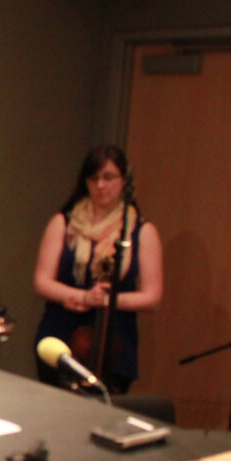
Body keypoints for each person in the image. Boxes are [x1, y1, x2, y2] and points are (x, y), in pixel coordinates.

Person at [32, 145, 162, 394]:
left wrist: (105, 301)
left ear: (124, 180)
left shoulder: (142, 231)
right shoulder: (63, 223)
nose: (101, 185)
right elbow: (42, 282)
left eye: (109, 177)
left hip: (113, 341)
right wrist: (82, 297)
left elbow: (152, 297)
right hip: (61, 331)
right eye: (94, 178)